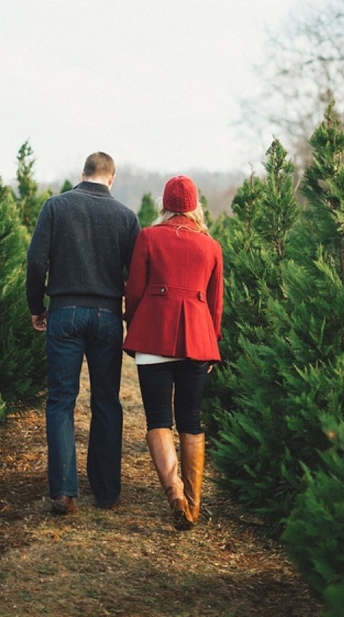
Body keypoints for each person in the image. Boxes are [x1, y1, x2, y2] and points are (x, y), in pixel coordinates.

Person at [26, 151, 139, 515]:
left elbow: (36, 262)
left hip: (64, 312)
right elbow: (136, 275)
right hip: (107, 315)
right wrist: (129, 316)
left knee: (61, 401)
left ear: (82, 174)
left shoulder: (56, 207)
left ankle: (63, 492)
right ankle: (106, 492)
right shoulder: (125, 216)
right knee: (106, 401)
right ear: (111, 178)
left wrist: (35, 307)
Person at [123, 175, 223, 530]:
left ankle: (175, 495)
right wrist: (212, 343)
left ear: (165, 205)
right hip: (198, 338)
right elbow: (215, 303)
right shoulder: (211, 246)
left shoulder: (148, 237)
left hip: (154, 335)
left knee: (158, 419)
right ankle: (194, 506)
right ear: (196, 206)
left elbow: (134, 290)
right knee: (191, 419)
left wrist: (134, 324)